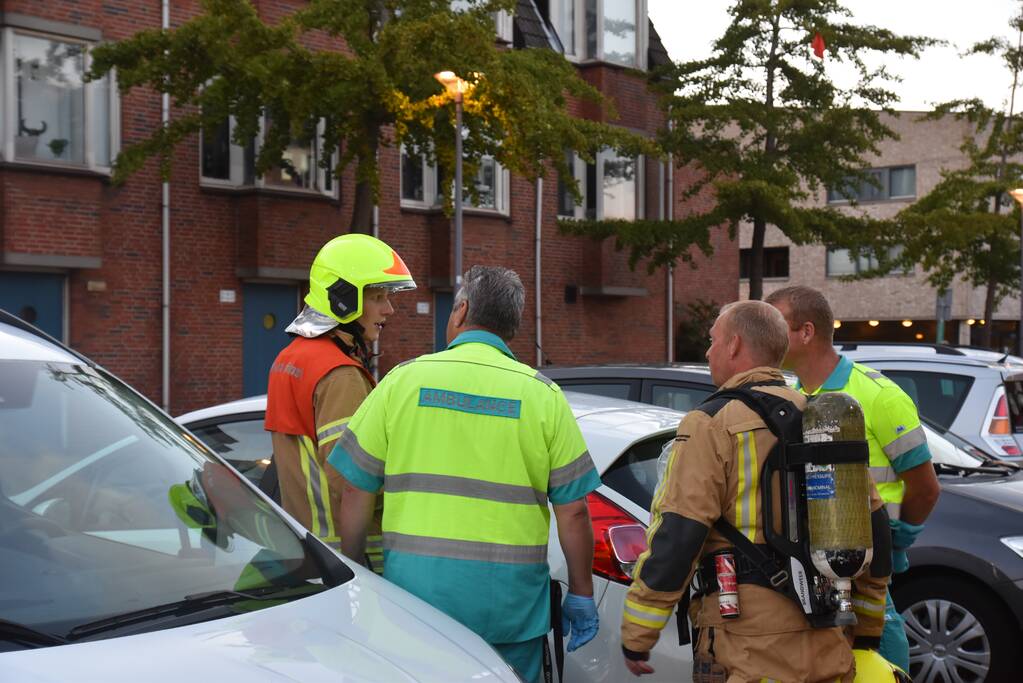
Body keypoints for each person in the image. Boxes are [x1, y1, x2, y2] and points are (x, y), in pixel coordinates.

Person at [329, 266, 600, 683]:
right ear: (512, 325)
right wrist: (582, 593)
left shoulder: (402, 381)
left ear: (461, 311)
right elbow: (575, 512)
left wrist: (352, 569)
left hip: (414, 609)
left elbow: (355, 489)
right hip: (510, 611)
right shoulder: (543, 396)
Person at [620, 300, 892, 681]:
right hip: (828, 638)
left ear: (733, 346)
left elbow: (678, 535)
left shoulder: (708, 424)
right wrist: (865, 629)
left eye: (713, 341)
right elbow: (874, 528)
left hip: (747, 646)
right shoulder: (821, 421)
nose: (708, 351)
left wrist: (638, 633)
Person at [766, 285, 941, 671]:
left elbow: (926, 488)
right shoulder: (793, 399)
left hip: (868, 566)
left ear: (805, 332)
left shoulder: (878, 396)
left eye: (776, 326)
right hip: (815, 565)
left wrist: (895, 537)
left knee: (877, 658)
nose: (769, 337)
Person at [263, 233, 415, 573]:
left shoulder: (290, 359)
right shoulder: (339, 374)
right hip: (346, 559)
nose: (389, 309)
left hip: (308, 552)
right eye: (378, 297)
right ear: (343, 300)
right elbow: (350, 482)